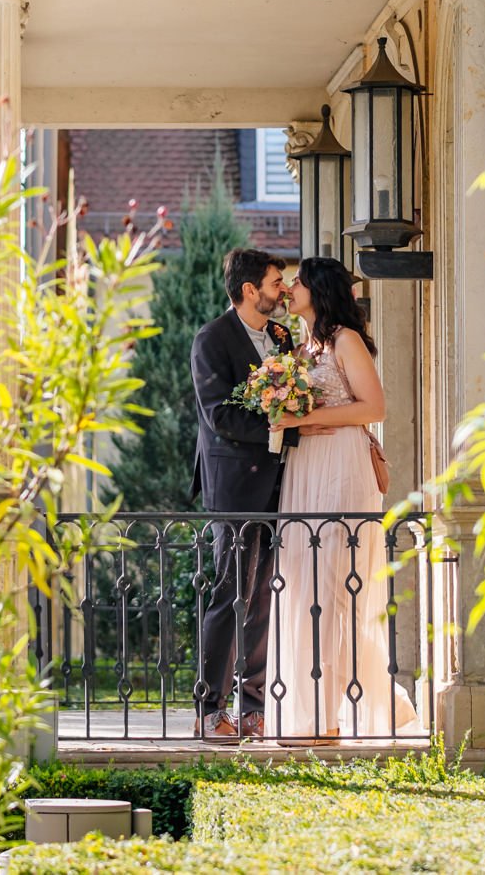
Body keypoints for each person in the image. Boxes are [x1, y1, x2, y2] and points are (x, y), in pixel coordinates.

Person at [264, 256, 421, 741]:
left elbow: (375, 407)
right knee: (304, 586)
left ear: (319, 290)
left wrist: (301, 421)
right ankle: (319, 711)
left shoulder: (345, 341)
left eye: (298, 282)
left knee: (336, 591)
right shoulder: (303, 346)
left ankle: (337, 715)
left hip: (341, 467)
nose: (289, 289)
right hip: (307, 466)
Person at [189, 247, 299, 738]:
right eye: (277, 282)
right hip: (233, 486)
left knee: (261, 597)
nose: (284, 291)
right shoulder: (210, 340)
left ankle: (251, 706)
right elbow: (221, 416)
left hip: (279, 484)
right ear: (251, 289)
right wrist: (284, 428)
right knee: (230, 592)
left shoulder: (281, 336)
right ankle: (210, 710)